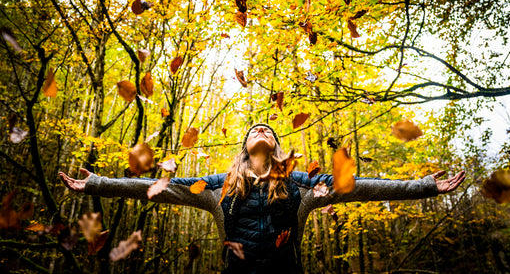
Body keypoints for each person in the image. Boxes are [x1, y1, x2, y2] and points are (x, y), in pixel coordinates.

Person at [59, 123, 466, 274]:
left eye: (270, 131)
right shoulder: (214, 188)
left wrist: (424, 187)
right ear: (245, 147)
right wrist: (96, 182)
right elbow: (159, 190)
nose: (263, 131)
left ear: (274, 147)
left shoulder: (300, 184)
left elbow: (358, 187)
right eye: (255, 129)